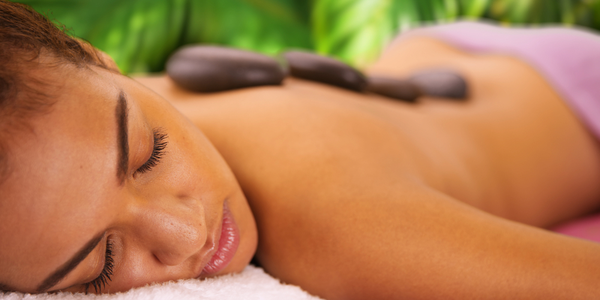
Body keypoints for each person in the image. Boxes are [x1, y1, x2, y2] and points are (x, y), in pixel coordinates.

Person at [1, 1, 600, 299]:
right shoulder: (92, 108)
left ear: (98, 57)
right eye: (101, 263)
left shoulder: (343, 226)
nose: (185, 235)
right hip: (453, 63)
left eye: (148, 155)